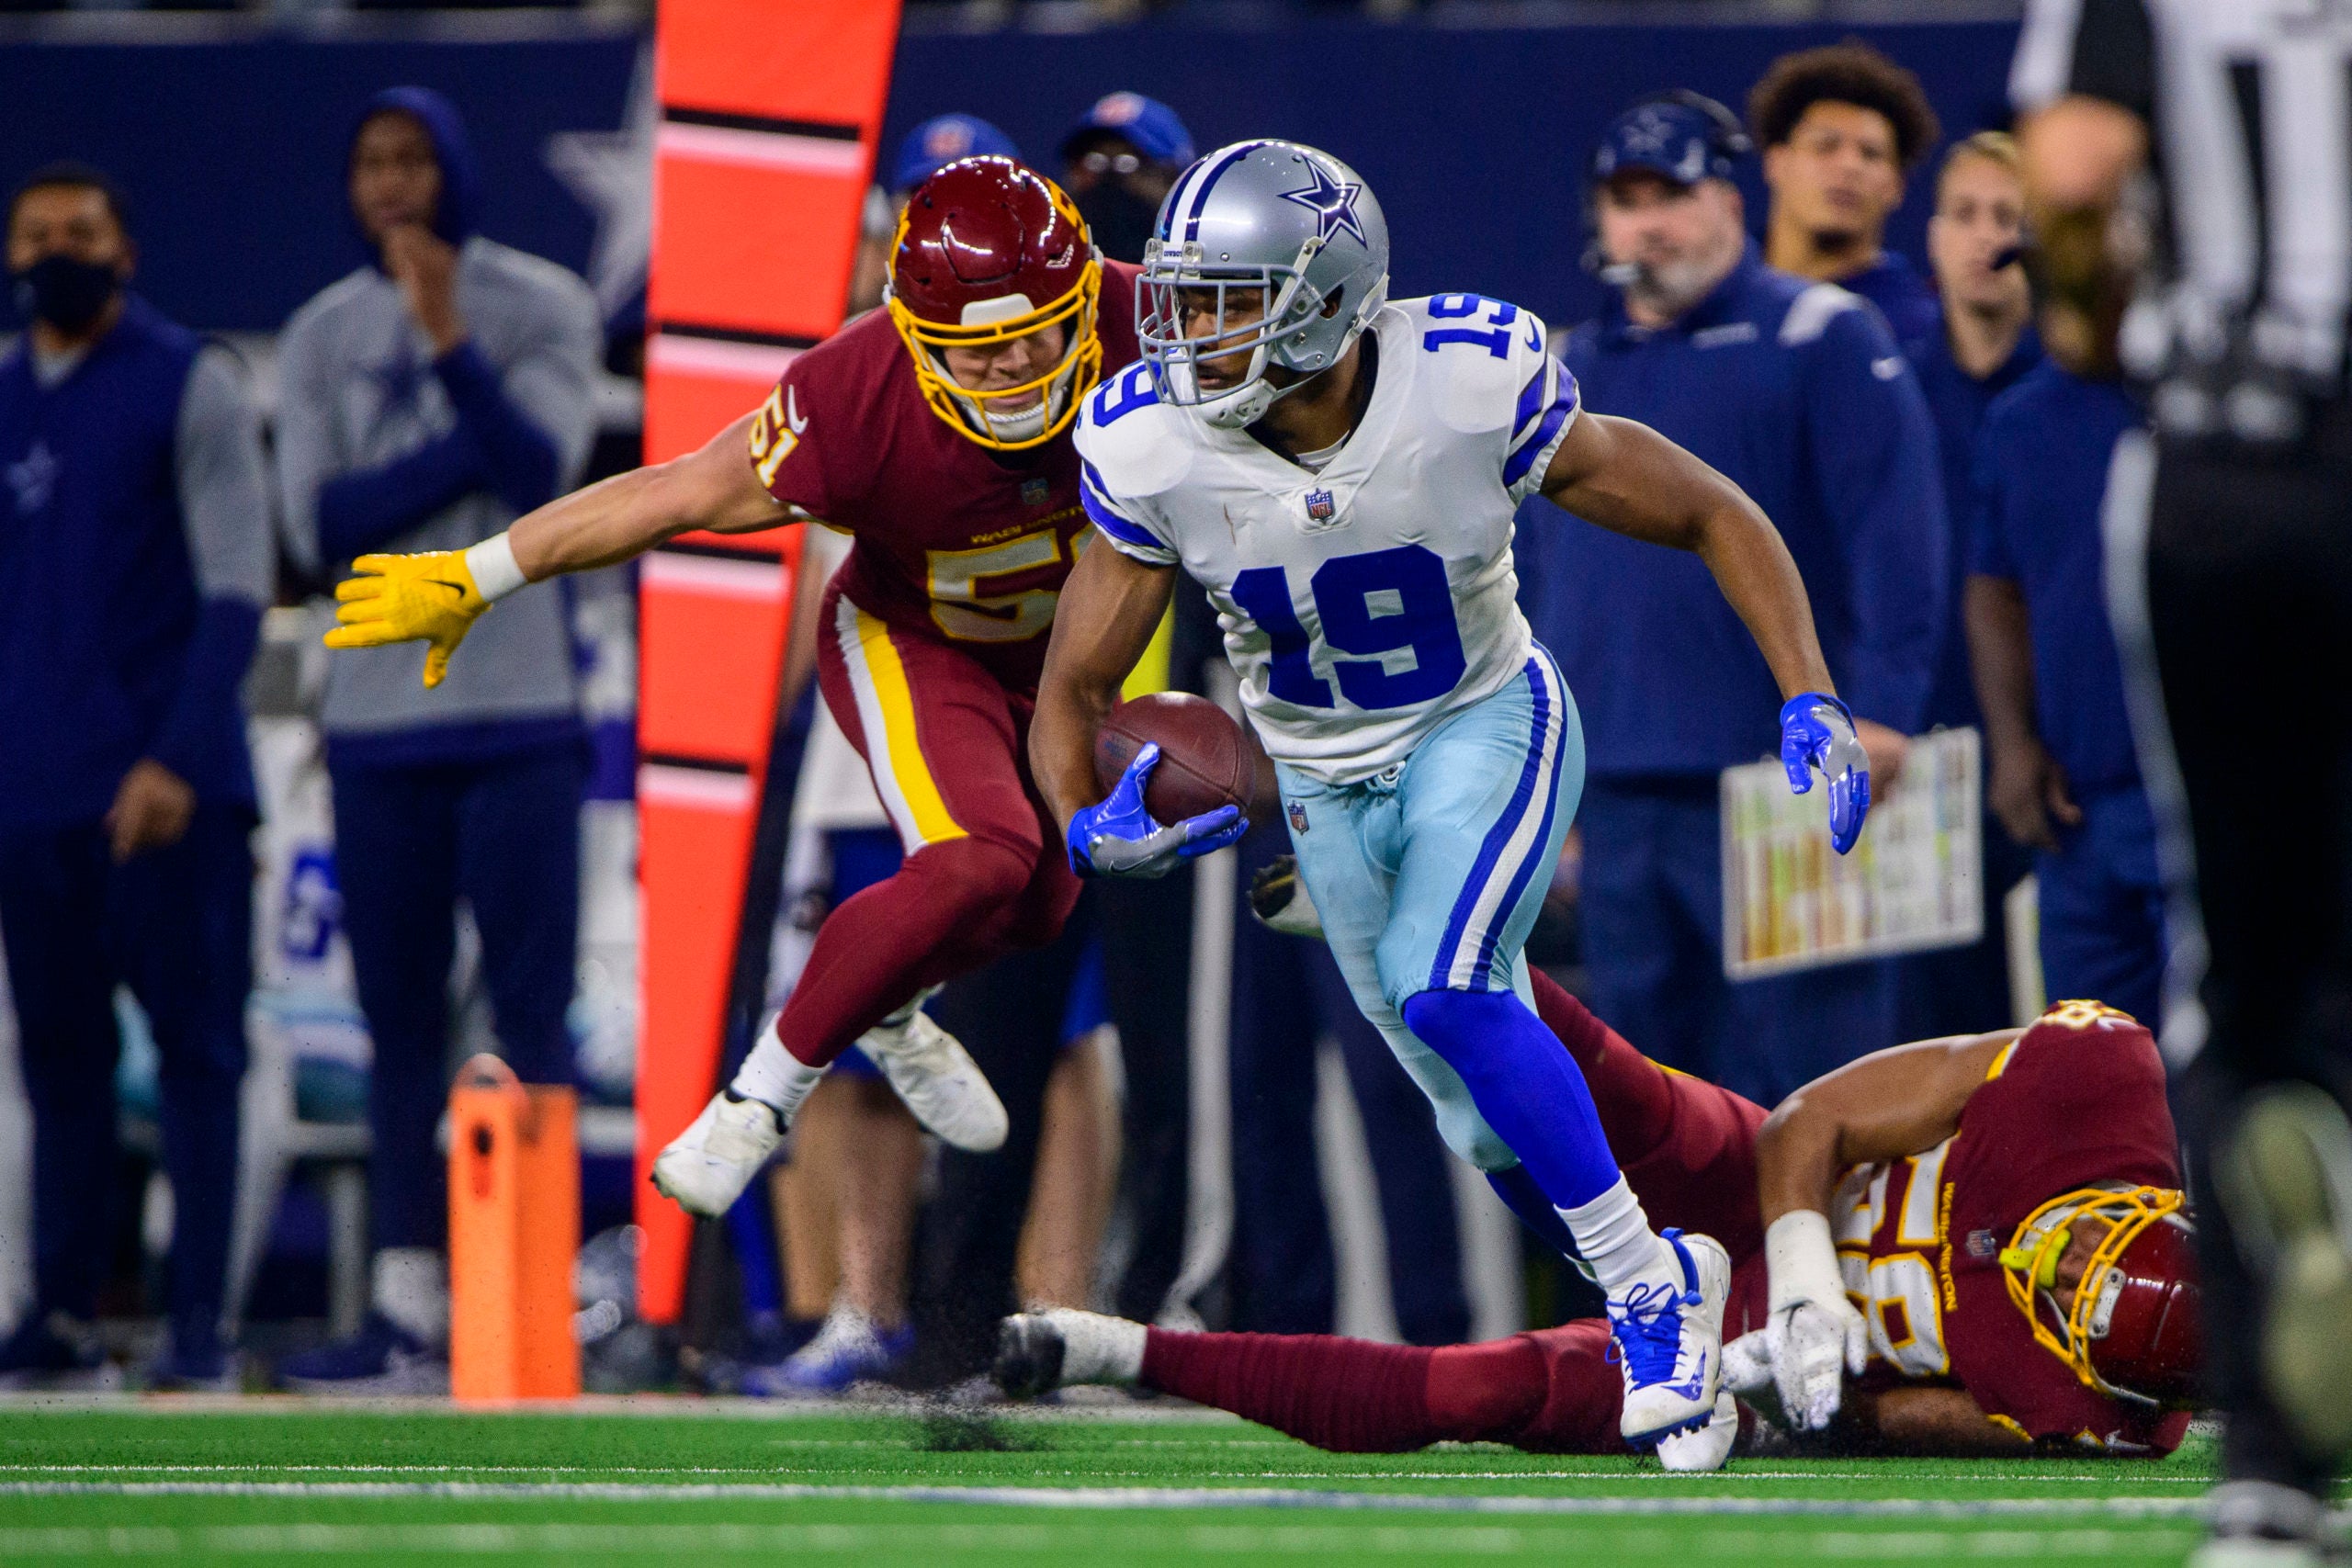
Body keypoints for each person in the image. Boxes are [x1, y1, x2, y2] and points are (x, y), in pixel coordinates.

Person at [1030, 138, 1877, 1450]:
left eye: (1227, 299)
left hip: (1483, 719)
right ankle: (1678, 1274)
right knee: (1477, 1120)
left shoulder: (1468, 381)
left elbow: (1713, 508)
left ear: (1327, 294)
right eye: (1184, 301)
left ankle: (1646, 1291)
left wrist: (1807, 690)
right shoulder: (1156, 445)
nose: (1192, 333)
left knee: (1449, 981)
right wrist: (1087, 820)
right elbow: (1073, 690)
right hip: (1316, 775)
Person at [322, 158, 1148, 1235]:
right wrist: (479, 574)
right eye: (978, 349)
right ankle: (758, 1098)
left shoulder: (1155, 325)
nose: (1017, 366)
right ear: (914, 335)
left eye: (1038, 332)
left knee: (1046, 900)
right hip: (913, 639)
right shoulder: (855, 393)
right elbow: (675, 494)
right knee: (980, 857)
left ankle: (889, 1002)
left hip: (1060, 661)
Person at [999, 979, 2198, 1468]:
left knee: (1476, 1393)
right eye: (2086, 1244)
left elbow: (1913, 1418)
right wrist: (1800, 1273)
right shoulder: (2092, 1078)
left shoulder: (2095, 1416)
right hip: (1761, 1200)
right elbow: (1807, 1123)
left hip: (1742, 1351)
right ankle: (1391, 921)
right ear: (2139, 1201)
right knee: (1619, 1088)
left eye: (2070, 1300)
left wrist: (1779, 1390)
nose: (2060, 1266)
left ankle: (1113, 1346)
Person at [2013, 9, 2352, 1554]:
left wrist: (2097, 323)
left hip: (2225, 464)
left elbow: (2075, 164)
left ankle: (2272, 1470)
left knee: (2242, 966)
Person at [273, 88, 602, 1390]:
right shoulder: (314, 334)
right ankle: (408, 1301)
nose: (395, 183)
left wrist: (453, 340)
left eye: (415, 158)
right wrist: (464, 444)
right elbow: (325, 525)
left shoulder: (545, 307)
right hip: (377, 726)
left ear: (456, 171)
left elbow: (548, 483)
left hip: (519, 716)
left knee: (534, 1013)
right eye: (372, 162)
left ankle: (537, 1291)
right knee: (398, 1020)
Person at [1522, 96, 1943, 1103]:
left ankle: (1830, 1268)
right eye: (1625, 201)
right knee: (1644, 1098)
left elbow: (1896, 535)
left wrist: (1880, 711)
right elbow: (1534, 576)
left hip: (1784, 784)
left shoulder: (1816, 333)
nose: (1647, 224)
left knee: (1816, 1087)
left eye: (1671, 195)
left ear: (1727, 199)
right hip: (1617, 795)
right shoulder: (1567, 369)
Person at [0, 164, 270, 1391]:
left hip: (172, 795)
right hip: (34, 790)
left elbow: (234, 589)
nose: (60, 251)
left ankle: (199, 1325)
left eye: (82, 232)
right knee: (60, 1061)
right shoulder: (5, 397)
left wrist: (174, 754)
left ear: (128, 251)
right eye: (39, 234)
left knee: (198, 1053)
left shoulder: (190, 381)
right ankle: (59, 1312)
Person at [1897, 133, 2046, 1041]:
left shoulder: (2080, 393)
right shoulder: (1885, 393)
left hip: (2055, 766)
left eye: (2008, 218)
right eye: (1965, 214)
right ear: (1933, 235)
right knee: (1934, 1048)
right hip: (1921, 769)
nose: (1985, 239)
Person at [1967, 363, 2157, 1023]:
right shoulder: (2022, 421)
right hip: (2077, 811)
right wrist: (2013, 741)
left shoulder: (2219, 416)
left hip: (2207, 798)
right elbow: (1992, 583)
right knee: (2088, 1074)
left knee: (2230, 1054)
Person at [1749, 43, 1943, 349]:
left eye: (1870, 154)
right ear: (1777, 163)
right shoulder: (1708, 298)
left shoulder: (1925, 333)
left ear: (1896, 186)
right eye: (1826, 146)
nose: (1849, 166)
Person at [1057, 92, 1195, 265]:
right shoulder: (1036, 284)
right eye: (1093, 162)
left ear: (1174, 179)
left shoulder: (1206, 286)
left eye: (1128, 163)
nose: (1108, 182)